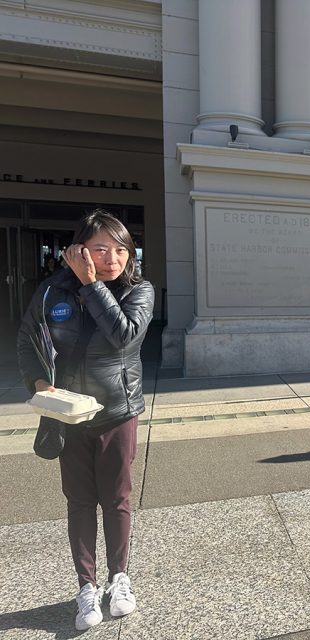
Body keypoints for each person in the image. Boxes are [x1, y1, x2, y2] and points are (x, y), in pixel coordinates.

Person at [17, 210, 154, 631]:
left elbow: (124, 334)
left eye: (120, 248)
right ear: (78, 250)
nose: (112, 257)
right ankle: (87, 587)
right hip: (69, 416)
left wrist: (93, 283)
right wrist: (41, 384)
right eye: (100, 249)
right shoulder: (51, 292)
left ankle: (119, 579)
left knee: (117, 499)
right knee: (79, 502)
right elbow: (27, 340)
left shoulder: (138, 290)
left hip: (117, 412)